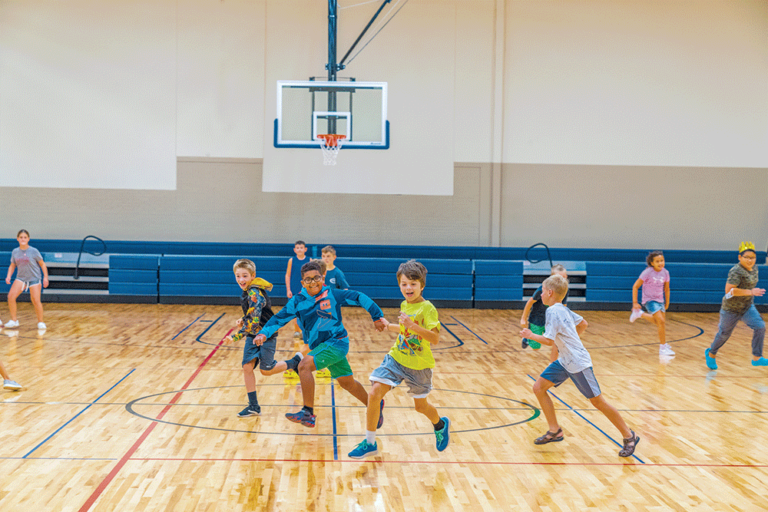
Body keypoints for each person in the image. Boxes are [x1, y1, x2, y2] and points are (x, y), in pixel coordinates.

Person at [253, 260, 387, 428]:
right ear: (302, 282)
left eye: (316, 278)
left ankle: (308, 412)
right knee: (347, 383)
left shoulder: (332, 294)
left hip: (337, 342)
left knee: (303, 366)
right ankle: (374, 403)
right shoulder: (297, 301)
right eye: (308, 279)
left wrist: (377, 316)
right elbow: (279, 318)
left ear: (322, 278)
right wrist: (264, 333)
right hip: (322, 347)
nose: (313, 282)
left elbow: (359, 297)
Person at [521, 274, 640, 458]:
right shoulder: (563, 309)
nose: (541, 295)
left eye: (543, 292)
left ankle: (629, 435)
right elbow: (583, 323)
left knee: (598, 402)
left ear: (550, 292)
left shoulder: (552, 311)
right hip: (565, 360)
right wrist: (571, 340)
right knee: (539, 387)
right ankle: (555, 430)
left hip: (577, 363)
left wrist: (530, 335)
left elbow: (548, 340)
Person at [348, 260, 450, 459]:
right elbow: (405, 329)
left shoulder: (427, 308)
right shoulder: (405, 304)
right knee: (375, 392)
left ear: (422, 285)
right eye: (404, 284)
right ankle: (369, 442)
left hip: (419, 366)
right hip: (396, 358)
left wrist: (412, 326)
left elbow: (435, 338)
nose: (408, 288)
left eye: (413, 284)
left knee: (420, 406)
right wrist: (389, 326)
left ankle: (440, 424)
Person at [223, 259, 303, 417]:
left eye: (245, 275)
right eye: (238, 276)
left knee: (266, 370)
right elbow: (252, 315)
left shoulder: (254, 294)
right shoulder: (248, 291)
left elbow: (253, 323)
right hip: (253, 334)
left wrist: (235, 337)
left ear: (253, 276)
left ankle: (294, 362)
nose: (241, 279)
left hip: (266, 334)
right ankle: (253, 406)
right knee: (247, 367)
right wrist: (243, 318)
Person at [705, 242, 768, 369]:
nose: (750, 260)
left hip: (747, 307)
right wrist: (751, 292)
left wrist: (750, 294)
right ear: (740, 257)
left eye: (752, 257)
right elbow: (729, 291)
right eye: (747, 257)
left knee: (760, 327)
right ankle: (711, 353)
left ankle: (757, 357)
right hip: (731, 309)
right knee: (724, 334)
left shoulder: (755, 268)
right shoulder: (736, 271)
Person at [630, 251, 673, 356]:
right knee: (661, 322)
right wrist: (635, 303)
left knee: (659, 323)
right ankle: (662, 348)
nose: (660, 263)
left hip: (660, 300)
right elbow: (635, 286)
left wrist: (667, 302)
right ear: (652, 263)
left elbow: (667, 289)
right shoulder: (648, 272)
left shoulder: (666, 273)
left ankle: (640, 314)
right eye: (657, 261)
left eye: (662, 260)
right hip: (649, 300)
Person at [5, 230, 49, 330]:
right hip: (21, 279)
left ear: (28, 239)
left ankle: (41, 322)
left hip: (34, 279)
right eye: (21, 237)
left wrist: (45, 277)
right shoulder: (15, 252)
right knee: (11, 297)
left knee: (36, 301)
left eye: (25, 237)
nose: (23, 239)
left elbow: (42, 264)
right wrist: (8, 276)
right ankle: (14, 320)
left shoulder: (34, 251)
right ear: (17, 239)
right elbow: (12, 265)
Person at [520, 264, 568, 350]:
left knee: (554, 340)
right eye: (559, 278)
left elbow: (563, 306)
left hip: (549, 320)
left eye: (564, 277)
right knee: (536, 347)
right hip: (536, 320)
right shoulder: (541, 290)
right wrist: (523, 318)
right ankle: (527, 338)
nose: (562, 280)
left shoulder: (564, 290)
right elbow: (530, 302)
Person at [284, 240, 309, 377]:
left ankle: (302, 332)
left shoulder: (309, 260)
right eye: (297, 248)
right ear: (295, 250)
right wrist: (288, 289)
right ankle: (297, 331)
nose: (299, 249)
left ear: (305, 249)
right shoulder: (291, 260)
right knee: (294, 313)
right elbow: (288, 275)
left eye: (301, 247)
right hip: (293, 289)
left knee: (303, 313)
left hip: (305, 291)